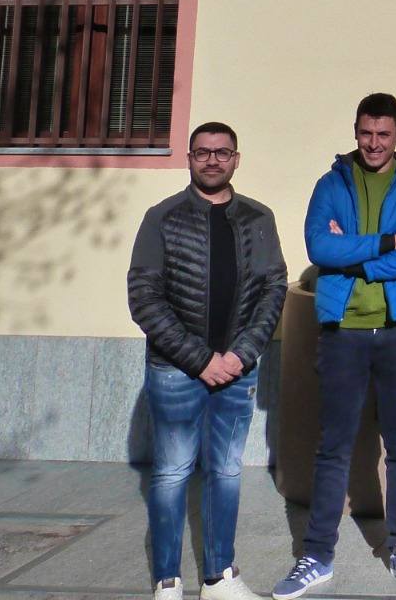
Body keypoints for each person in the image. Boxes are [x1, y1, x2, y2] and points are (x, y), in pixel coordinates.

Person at [273, 94, 396, 600]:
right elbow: (318, 247)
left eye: (383, 134)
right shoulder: (331, 184)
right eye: (366, 133)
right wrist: (386, 242)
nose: (374, 143)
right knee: (333, 447)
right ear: (355, 131)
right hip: (343, 330)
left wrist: (353, 259)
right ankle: (317, 554)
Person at [129, 121, 288, 600]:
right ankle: (168, 581)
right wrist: (201, 360)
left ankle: (219, 577)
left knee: (226, 471)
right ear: (189, 158)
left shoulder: (259, 218)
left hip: (237, 371)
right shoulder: (162, 218)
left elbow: (273, 289)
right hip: (175, 370)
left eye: (222, 152)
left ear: (236, 158)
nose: (213, 160)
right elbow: (144, 298)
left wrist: (242, 354)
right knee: (171, 473)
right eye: (203, 152)